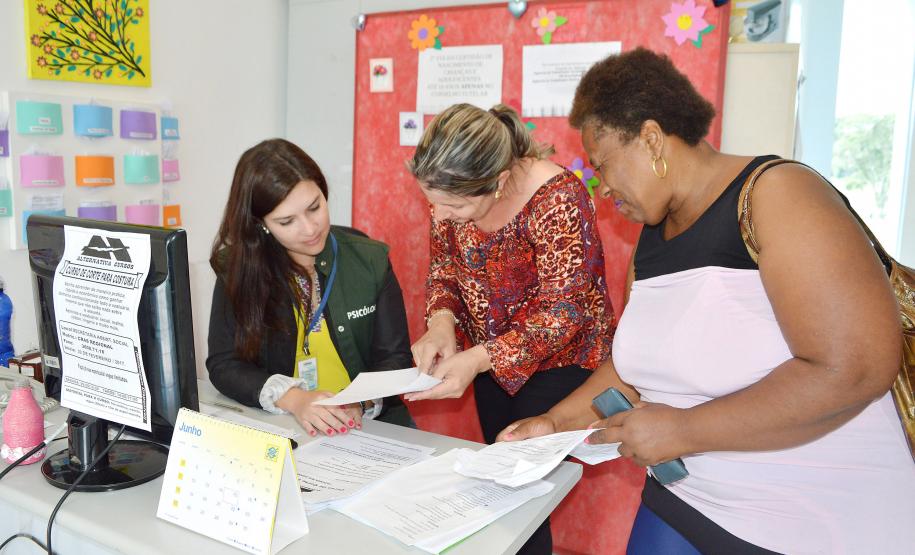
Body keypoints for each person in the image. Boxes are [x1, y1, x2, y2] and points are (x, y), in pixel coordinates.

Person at [497, 47, 915, 554]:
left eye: (604, 165)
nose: (602, 187)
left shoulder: (778, 194)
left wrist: (684, 430)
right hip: (687, 498)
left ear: (652, 139)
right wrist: (554, 424)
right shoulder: (652, 237)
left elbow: (853, 368)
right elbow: (632, 371)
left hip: (812, 521)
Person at [405, 103, 614, 554]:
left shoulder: (558, 198)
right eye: (433, 202)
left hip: (562, 366)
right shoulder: (451, 190)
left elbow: (564, 311)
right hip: (487, 366)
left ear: (498, 181)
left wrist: (478, 358)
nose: (440, 215)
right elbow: (444, 268)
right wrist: (442, 323)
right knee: (501, 491)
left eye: (455, 205)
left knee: (526, 498)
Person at [207, 138, 414, 437]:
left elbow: (395, 359)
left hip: (369, 427)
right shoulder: (238, 269)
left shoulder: (369, 260)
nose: (310, 228)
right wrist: (295, 400)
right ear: (261, 224)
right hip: (284, 426)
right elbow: (224, 364)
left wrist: (358, 402)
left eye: (315, 207)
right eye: (287, 221)